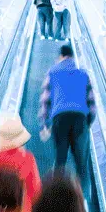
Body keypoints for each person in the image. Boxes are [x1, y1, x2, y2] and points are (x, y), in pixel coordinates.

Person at [38, 44, 93, 177]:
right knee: (81, 163)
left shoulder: (52, 72)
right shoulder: (83, 74)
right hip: (80, 118)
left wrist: (44, 125)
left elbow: (45, 100)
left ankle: (57, 194)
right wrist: (88, 123)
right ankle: (83, 195)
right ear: (73, 57)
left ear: (61, 56)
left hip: (60, 117)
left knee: (60, 158)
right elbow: (91, 101)